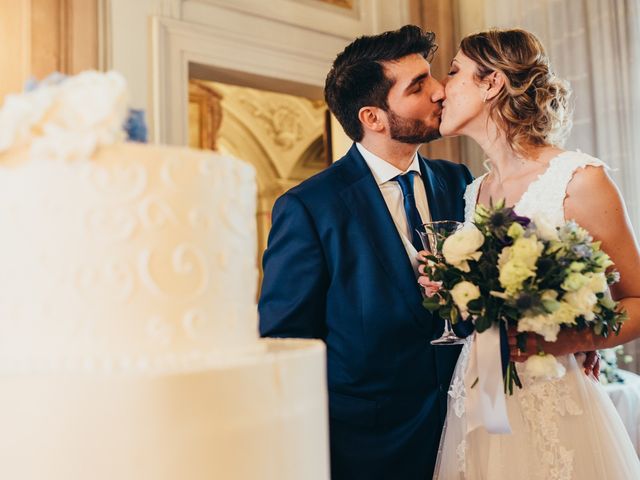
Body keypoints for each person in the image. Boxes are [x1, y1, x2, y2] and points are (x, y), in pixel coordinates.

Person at [258, 25, 473, 479]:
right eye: (418, 86)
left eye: (432, 77)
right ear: (373, 117)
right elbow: (287, 343)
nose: (439, 92)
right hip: (369, 449)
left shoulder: (459, 182)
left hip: (468, 430)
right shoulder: (309, 207)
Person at [424, 29, 640, 479]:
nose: (441, 90)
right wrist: (451, 290)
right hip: (479, 397)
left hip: (552, 397)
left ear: (491, 84)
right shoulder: (472, 193)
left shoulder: (578, 179)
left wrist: (572, 341)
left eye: (453, 72)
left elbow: (636, 302)